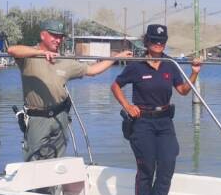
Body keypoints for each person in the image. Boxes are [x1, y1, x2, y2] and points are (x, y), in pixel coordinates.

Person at [7, 19, 129, 161]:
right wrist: (38, 52)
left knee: (58, 163)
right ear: (42, 35)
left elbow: (93, 70)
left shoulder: (66, 62)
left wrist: (115, 58)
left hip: (60, 117)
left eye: (60, 37)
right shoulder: (28, 57)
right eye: (54, 35)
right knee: (34, 163)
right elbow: (12, 50)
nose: (58, 40)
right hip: (37, 119)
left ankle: (56, 184)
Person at [111, 24, 202, 195]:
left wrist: (194, 73)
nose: (158, 44)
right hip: (142, 122)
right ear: (147, 41)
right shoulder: (136, 65)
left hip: (165, 121)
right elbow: (115, 86)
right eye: (154, 40)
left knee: (168, 163)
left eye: (162, 41)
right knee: (147, 167)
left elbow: (183, 90)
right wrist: (127, 106)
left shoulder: (170, 64)